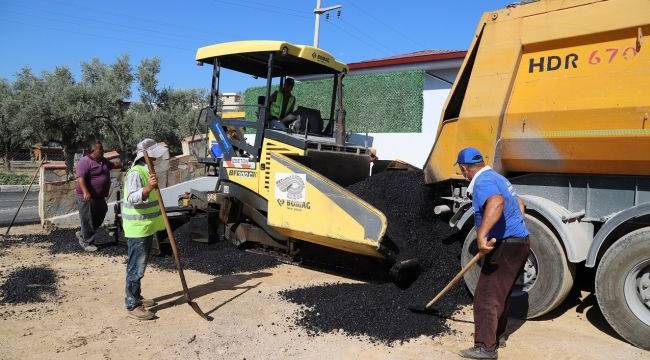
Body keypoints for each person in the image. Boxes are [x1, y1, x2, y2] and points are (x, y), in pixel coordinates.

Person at [456, 147, 530, 360]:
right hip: (520, 243)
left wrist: (482, 236)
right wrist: (515, 224)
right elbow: (519, 203)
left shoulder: (481, 182)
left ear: (464, 168)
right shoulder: (497, 177)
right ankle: (499, 336)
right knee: (502, 294)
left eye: (462, 170)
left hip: (505, 246)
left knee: (486, 297)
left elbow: (497, 202)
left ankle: (486, 348)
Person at [121, 139, 168, 320]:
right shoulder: (135, 172)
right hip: (137, 228)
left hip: (146, 226)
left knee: (140, 265)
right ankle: (132, 304)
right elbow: (133, 197)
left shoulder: (148, 170)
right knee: (136, 267)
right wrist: (148, 188)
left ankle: (137, 296)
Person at [75, 141, 117, 252]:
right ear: (93, 150)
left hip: (99, 197)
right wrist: (85, 192)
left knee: (102, 211)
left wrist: (125, 163)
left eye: (102, 149)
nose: (103, 151)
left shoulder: (103, 161)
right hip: (86, 196)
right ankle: (87, 242)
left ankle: (83, 233)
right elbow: (80, 178)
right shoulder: (85, 161)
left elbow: (113, 165)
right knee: (87, 218)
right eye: (100, 149)